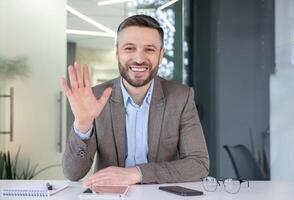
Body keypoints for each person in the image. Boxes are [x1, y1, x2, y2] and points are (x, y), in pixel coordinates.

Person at [61, 14, 209, 187]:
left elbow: (199, 164)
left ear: (161, 55)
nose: (139, 59)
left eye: (149, 49)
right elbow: (72, 173)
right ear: (117, 53)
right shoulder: (96, 98)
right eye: (129, 48)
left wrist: (137, 173)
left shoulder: (181, 97)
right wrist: (82, 126)